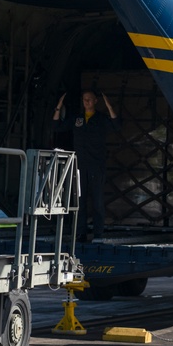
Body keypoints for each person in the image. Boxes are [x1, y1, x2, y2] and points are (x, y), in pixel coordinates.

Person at [53, 89, 119, 240]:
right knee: (80, 201)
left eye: (90, 99)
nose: (87, 102)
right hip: (80, 165)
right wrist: (58, 106)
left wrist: (109, 106)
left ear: (95, 101)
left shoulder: (101, 119)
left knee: (97, 201)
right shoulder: (78, 119)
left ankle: (98, 233)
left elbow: (116, 125)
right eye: (84, 99)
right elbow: (56, 126)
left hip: (96, 165)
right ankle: (81, 232)